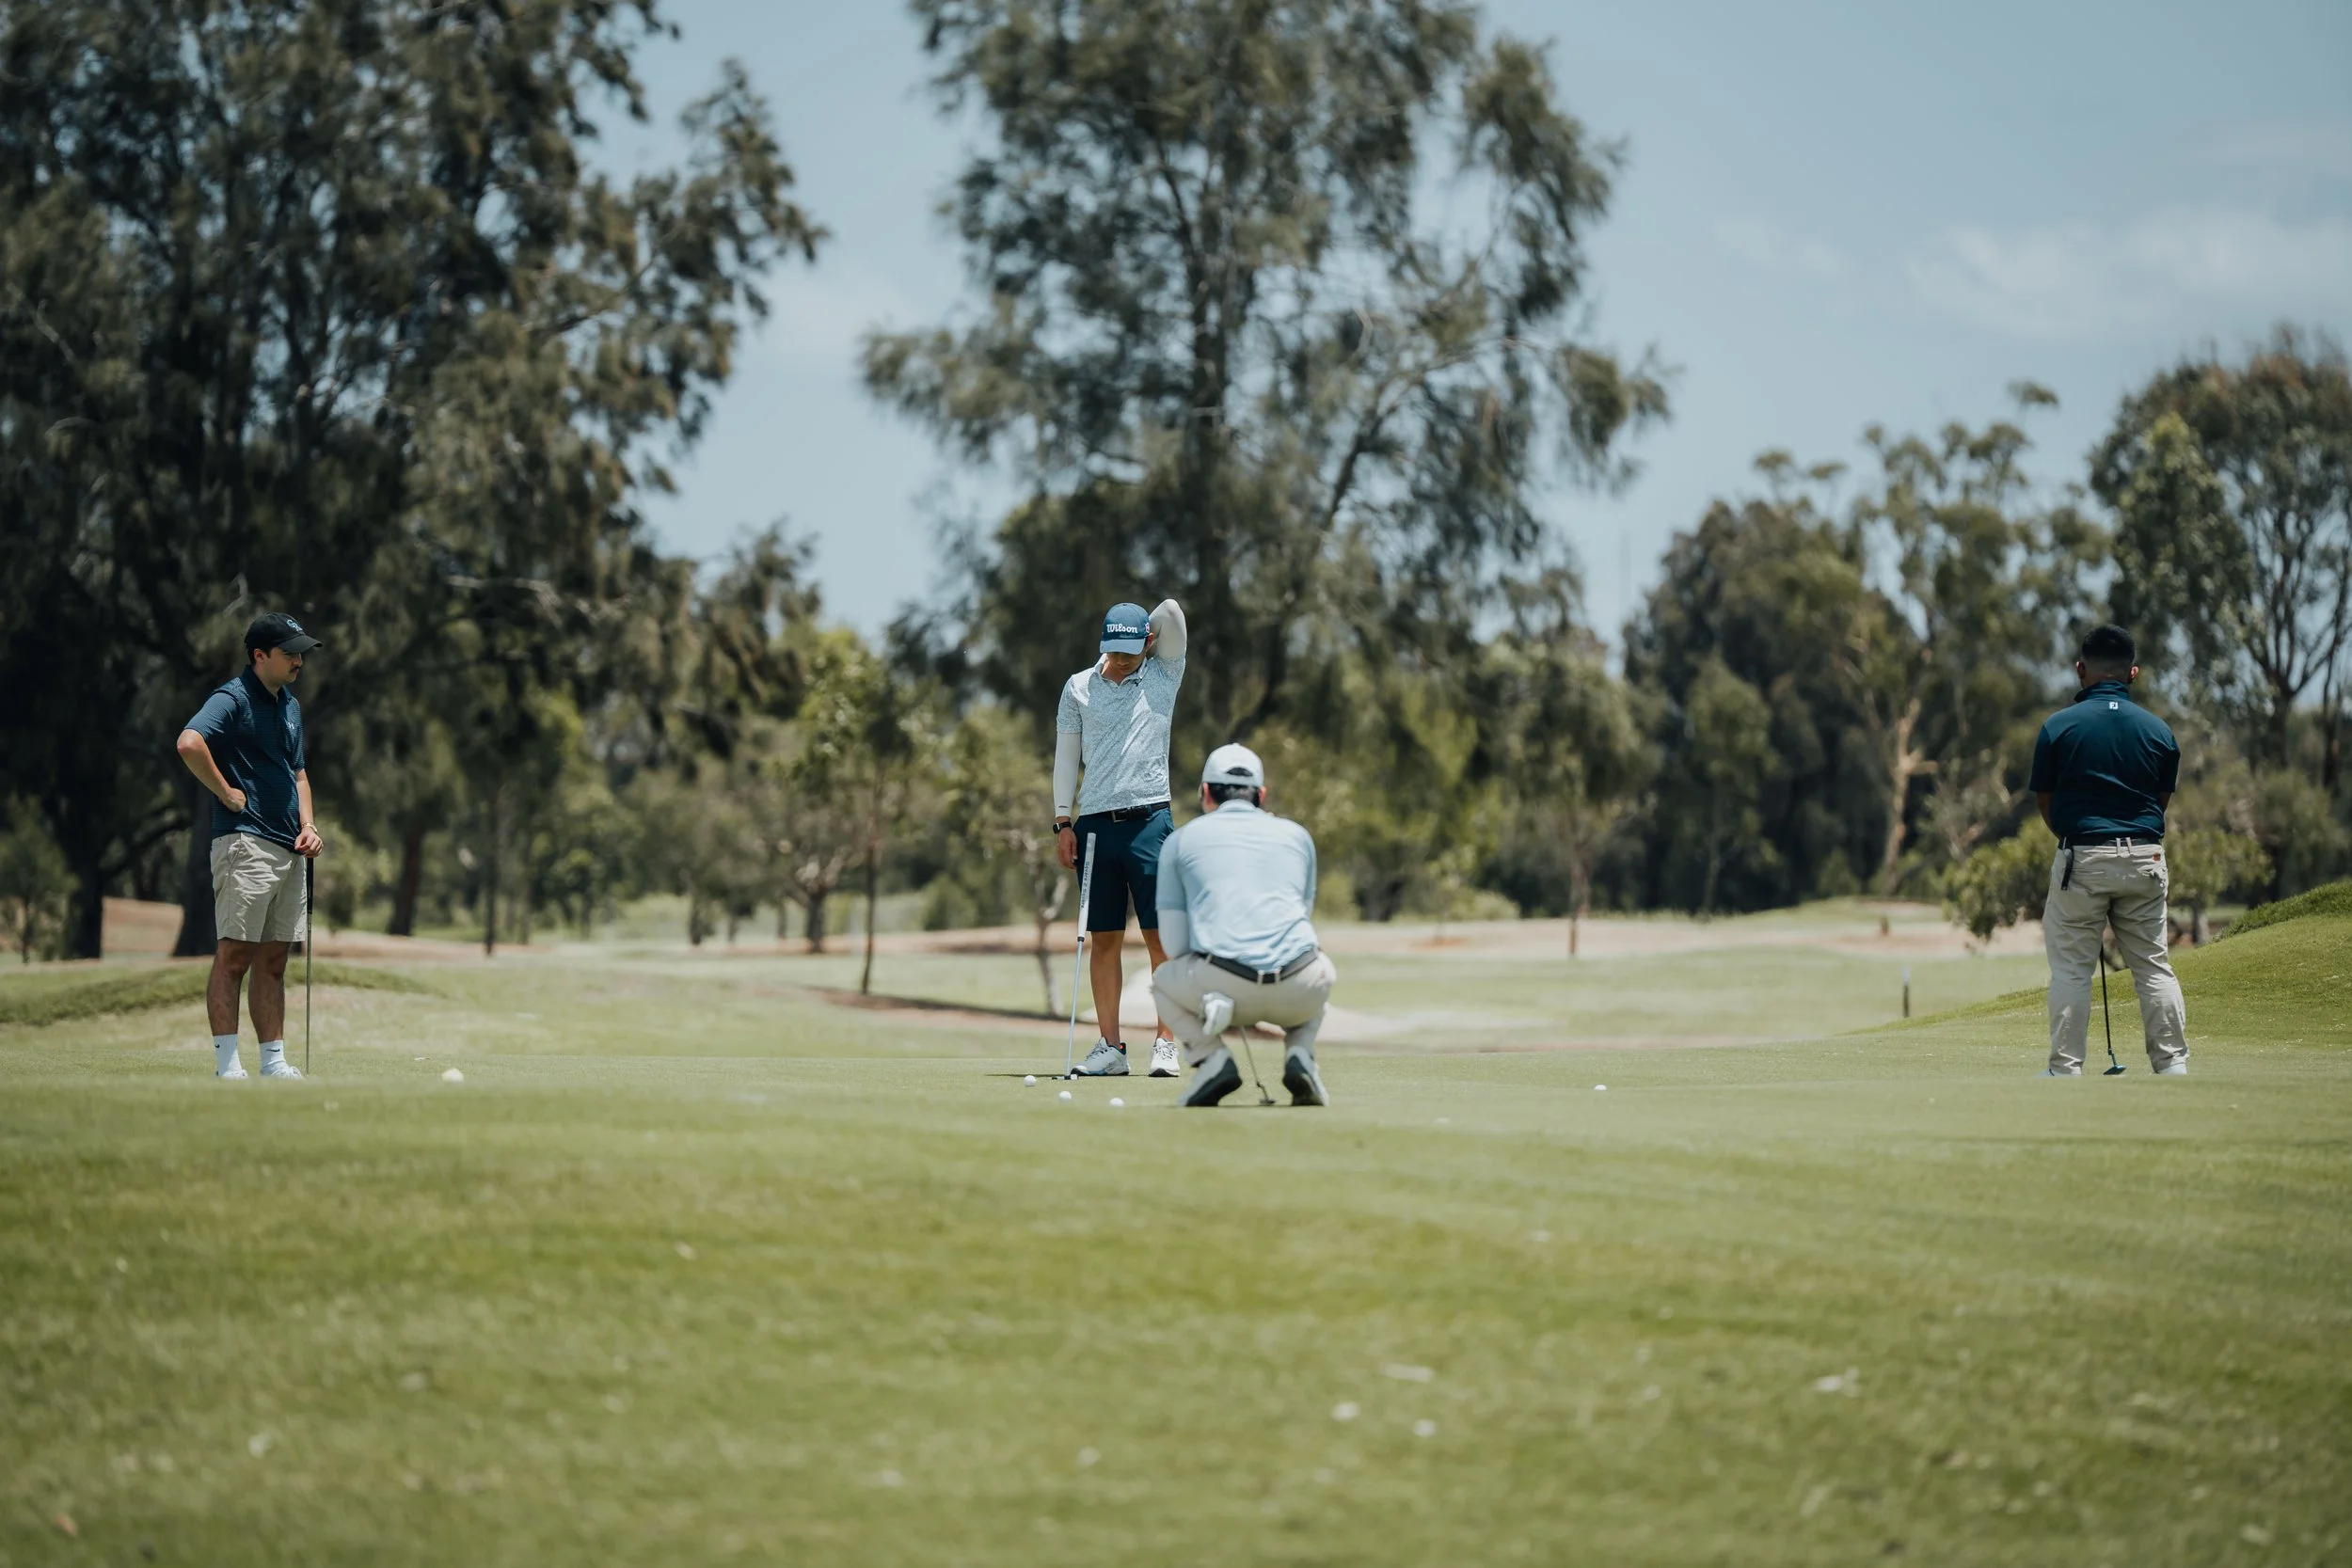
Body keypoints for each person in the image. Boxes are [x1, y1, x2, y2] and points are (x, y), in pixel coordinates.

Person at [2028, 624, 2187, 1077]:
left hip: (2083, 858)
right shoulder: (2159, 731)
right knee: (2154, 969)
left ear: (2081, 670)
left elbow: (2046, 801)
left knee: (2072, 972)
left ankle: (2065, 1069)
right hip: (2145, 858)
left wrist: (2075, 836)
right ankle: (2173, 1066)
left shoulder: (2057, 728)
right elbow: (2159, 803)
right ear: (2133, 673)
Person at [175, 612, 326, 1080]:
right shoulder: (232, 697)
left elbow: (297, 771)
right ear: (260, 656)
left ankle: (274, 1062)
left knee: (275, 960)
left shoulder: (290, 705)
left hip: (288, 845)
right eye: (289, 653)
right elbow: (189, 742)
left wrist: (310, 824)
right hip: (246, 844)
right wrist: (224, 791)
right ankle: (227, 1065)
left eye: (301, 652)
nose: (299, 660)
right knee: (235, 955)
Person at [1152, 743, 1337, 1108]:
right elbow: (1301, 919)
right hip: (1300, 987)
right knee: (1321, 970)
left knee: (1163, 981)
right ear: (1262, 795)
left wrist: (1215, 985)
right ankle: (1300, 1053)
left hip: (1223, 985)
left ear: (1205, 792)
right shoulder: (1299, 836)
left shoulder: (1179, 841)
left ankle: (1212, 1060)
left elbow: (1173, 946)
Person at [1055, 598, 1189, 1077]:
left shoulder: (1163, 675)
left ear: (1147, 643)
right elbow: (1066, 758)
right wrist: (1062, 821)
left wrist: (1143, 632)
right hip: (1093, 827)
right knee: (1104, 939)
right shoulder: (1078, 687)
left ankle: (1166, 1044)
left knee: (1161, 938)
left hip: (1151, 823)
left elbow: (1171, 611)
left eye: (1130, 649)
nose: (1121, 659)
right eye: (1113, 649)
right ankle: (1110, 1049)